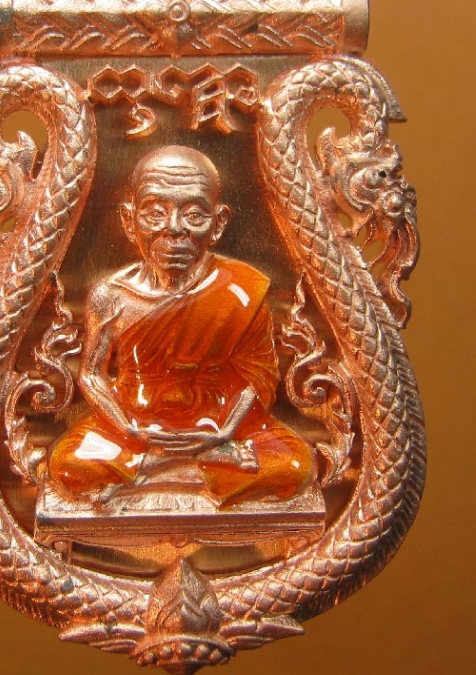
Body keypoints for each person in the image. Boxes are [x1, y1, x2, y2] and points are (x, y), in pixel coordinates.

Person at [49, 146, 315, 507]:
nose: (174, 229)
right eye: (155, 213)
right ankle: (187, 469)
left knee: (294, 465)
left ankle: (147, 473)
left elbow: (259, 377)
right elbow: (93, 374)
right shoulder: (110, 295)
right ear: (129, 220)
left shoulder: (240, 290)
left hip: (220, 425)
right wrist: (127, 427)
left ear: (218, 223)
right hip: (135, 421)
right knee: (68, 464)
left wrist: (224, 431)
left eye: (194, 214)